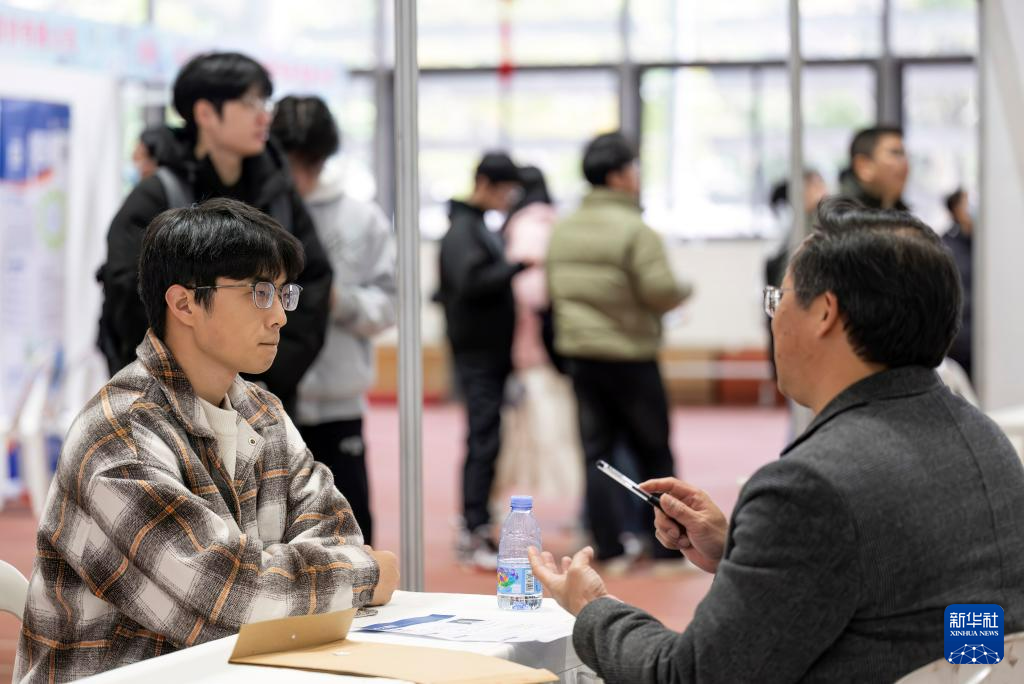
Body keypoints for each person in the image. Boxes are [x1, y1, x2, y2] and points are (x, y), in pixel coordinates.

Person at [529, 198, 1024, 683]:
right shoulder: (987, 442)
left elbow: (690, 676)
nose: (774, 319)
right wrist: (740, 554)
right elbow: (911, 598)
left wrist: (593, 608)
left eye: (778, 299)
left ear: (825, 312)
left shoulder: (810, 486)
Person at [15, 199, 398, 684]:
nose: (279, 316)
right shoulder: (119, 436)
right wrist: (365, 574)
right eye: (260, 292)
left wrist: (288, 579)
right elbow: (230, 599)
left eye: (283, 293)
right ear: (184, 304)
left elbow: (336, 533)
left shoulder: (262, 411)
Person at [97, 52, 332, 417]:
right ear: (206, 113)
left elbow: (312, 282)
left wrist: (263, 374)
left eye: (265, 102)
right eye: (249, 103)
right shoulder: (158, 195)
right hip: (172, 405)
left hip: (265, 400)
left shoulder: (278, 192)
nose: (264, 116)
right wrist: (201, 380)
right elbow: (130, 298)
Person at [546, 132, 692, 567]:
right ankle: (666, 549)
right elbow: (660, 290)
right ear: (617, 175)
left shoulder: (563, 229)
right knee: (653, 450)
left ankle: (607, 547)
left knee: (597, 454)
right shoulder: (636, 230)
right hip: (630, 354)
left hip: (581, 355)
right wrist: (686, 288)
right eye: (633, 168)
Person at [270, 95, 397, 545]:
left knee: (350, 532)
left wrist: (338, 300)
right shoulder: (260, 210)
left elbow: (389, 305)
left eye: (309, 163)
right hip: (266, 399)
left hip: (339, 404)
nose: (299, 177)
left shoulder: (362, 219)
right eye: (290, 163)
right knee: (275, 536)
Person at [435, 151, 526, 568]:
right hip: (477, 354)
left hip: (487, 352)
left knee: (487, 438)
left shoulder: (475, 227)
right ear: (485, 184)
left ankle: (477, 522)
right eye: (506, 190)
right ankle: (473, 528)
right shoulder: (462, 230)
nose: (509, 199)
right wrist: (515, 267)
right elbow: (469, 282)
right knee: (482, 440)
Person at [492, 166, 583, 512]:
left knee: (535, 428)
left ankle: (510, 501)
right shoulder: (556, 222)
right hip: (559, 343)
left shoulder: (526, 226)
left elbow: (530, 289)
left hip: (530, 346)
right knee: (562, 424)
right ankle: (582, 507)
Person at [838, 125, 909, 210]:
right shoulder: (841, 214)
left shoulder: (898, 210)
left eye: (904, 154)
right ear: (863, 166)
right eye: (895, 153)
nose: (905, 163)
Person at [942, 187, 974, 378]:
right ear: (956, 209)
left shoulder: (983, 244)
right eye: (967, 202)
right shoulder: (946, 247)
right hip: (960, 345)